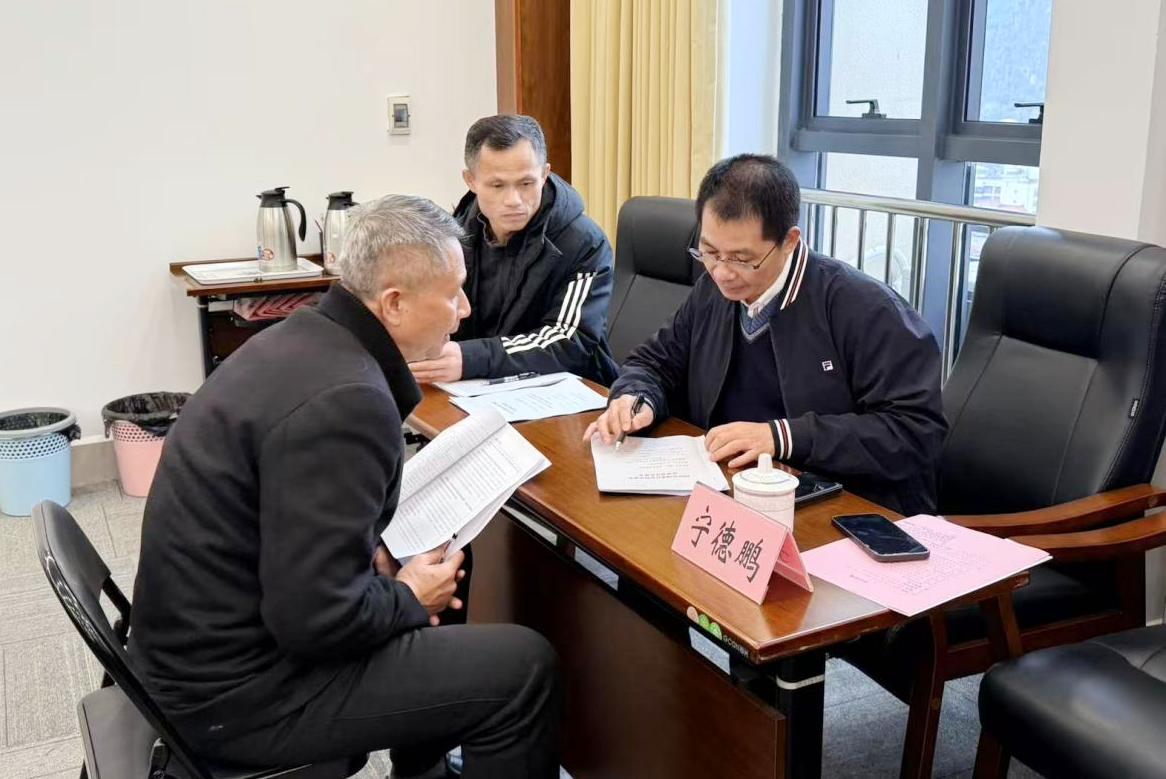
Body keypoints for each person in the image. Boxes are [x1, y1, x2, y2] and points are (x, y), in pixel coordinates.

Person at [129, 195, 560, 778]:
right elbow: (316, 620)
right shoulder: (349, 400)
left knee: (432, 553)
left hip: (196, 653)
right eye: (454, 293)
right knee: (524, 667)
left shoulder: (303, 340)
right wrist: (408, 597)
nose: (465, 309)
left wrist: (378, 564)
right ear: (395, 303)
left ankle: (424, 769)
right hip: (236, 701)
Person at [583, 154, 947, 513]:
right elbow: (655, 362)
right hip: (730, 489)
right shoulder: (714, 289)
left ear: (789, 241)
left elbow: (915, 431)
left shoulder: (865, 308)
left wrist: (780, 437)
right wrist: (636, 398)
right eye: (709, 252)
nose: (722, 272)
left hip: (839, 507)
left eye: (743, 259)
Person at [409, 114, 618, 386]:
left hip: (564, 390)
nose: (513, 200)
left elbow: (571, 339)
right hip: (473, 387)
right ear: (470, 180)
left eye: (526, 183)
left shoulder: (584, 242)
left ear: (544, 174)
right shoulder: (455, 233)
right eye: (497, 185)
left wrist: (472, 358)